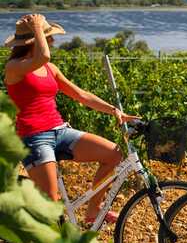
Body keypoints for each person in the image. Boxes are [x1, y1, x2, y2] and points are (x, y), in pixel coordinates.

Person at [4, 14, 139, 223]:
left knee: (113, 154)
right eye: (49, 37)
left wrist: (113, 110)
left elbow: (80, 95)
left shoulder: (49, 68)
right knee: (52, 204)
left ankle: (93, 211)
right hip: (34, 138)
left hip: (60, 131)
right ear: (35, 39)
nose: (53, 41)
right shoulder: (14, 67)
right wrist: (39, 27)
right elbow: (43, 56)